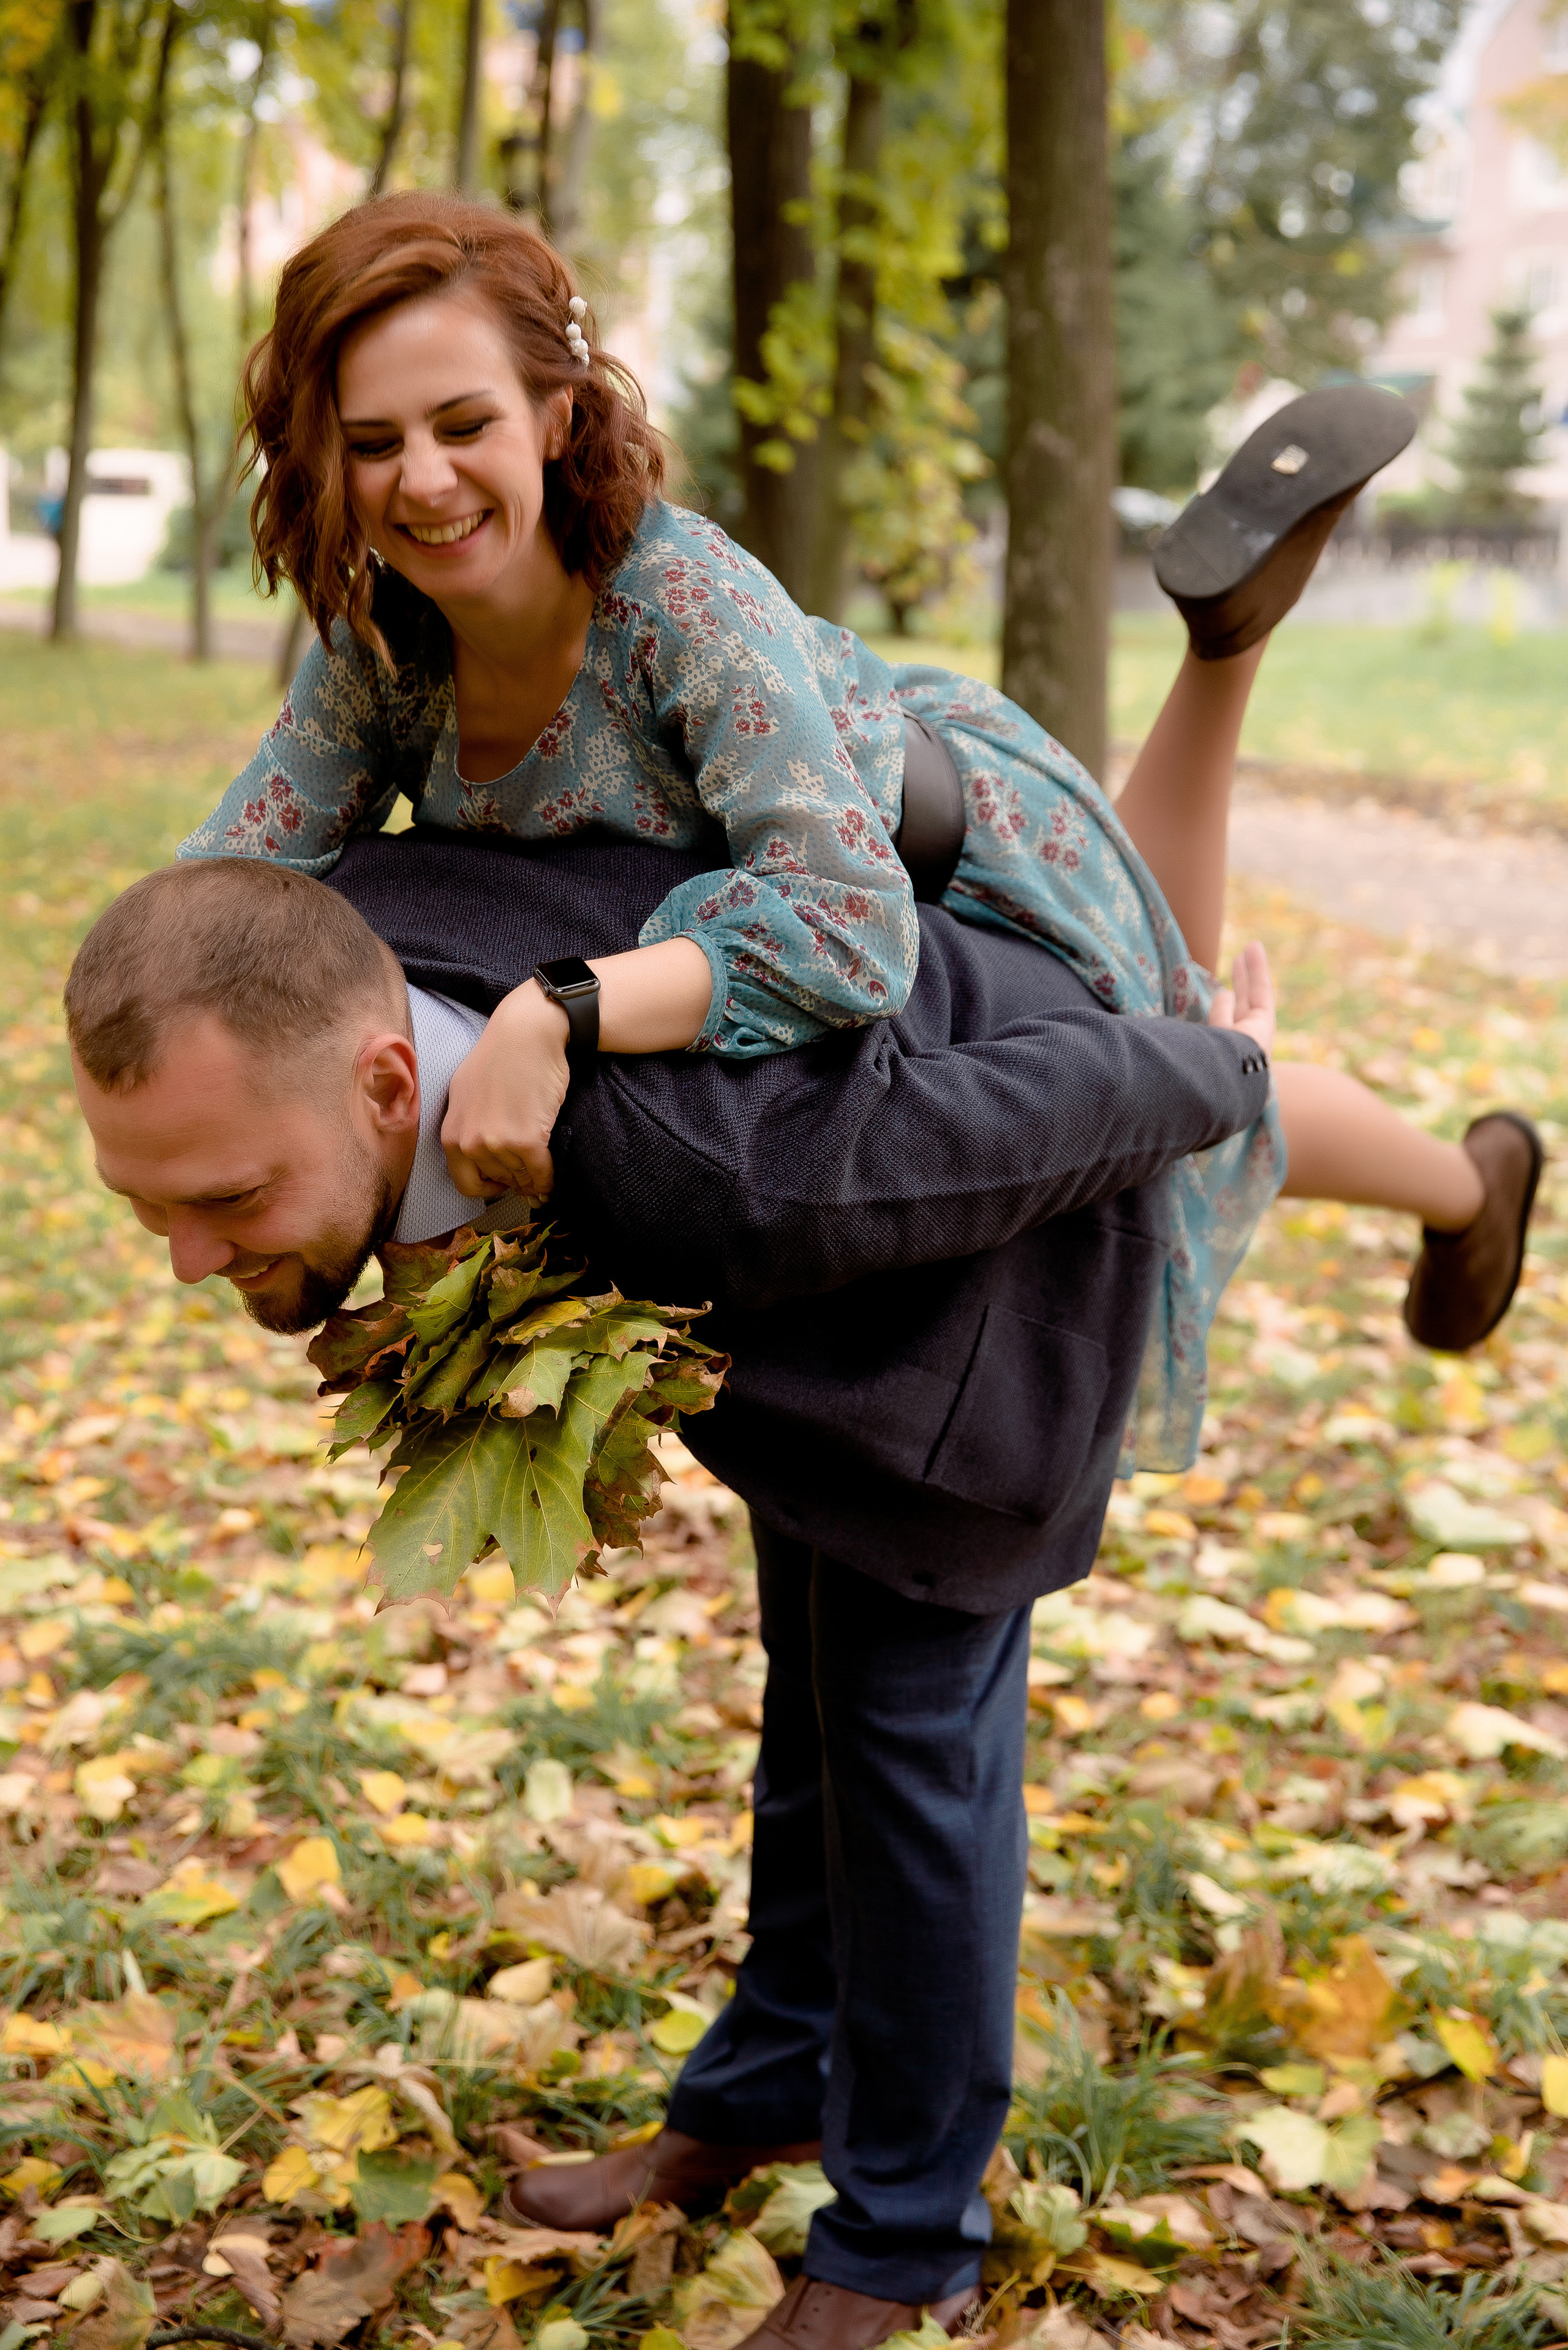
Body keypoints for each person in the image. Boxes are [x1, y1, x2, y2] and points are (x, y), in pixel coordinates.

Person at [65, 834, 1275, 2350]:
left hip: (983, 1321)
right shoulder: (316, 960)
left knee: (910, 1759)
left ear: (388, 1087)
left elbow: (1035, 1112)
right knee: (813, 1713)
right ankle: (765, 2094)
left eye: (229, 1198)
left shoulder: (703, 1160)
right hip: (801, 1345)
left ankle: (905, 2240)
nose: (186, 1262)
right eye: (148, 1206)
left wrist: (1225, 1066)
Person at [181, 191, 1539, 1473]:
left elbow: (844, 927)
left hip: (958, 869)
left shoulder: (674, 603)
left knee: (1190, 1077)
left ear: (554, 413)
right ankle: (1224, 648)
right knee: (1184, 1038)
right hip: (831, 891)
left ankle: (1471, 1191)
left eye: (461, 423)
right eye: (373, 444)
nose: (421, 482)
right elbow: (225, 893)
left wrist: (552, 1015)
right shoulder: (381, 654)